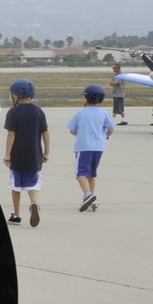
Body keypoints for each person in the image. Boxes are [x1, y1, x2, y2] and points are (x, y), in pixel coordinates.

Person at [1, 78, 48, 226]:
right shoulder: (38, 111)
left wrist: (7, 155)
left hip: (17, 155)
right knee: (32, 183)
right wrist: (46, 152)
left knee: (16, 185)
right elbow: (45, 132)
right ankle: (34, 202)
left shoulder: (13, 112)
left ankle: (16, 214)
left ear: (15, 95)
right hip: (34, 154)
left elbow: (11, 135)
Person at [68, 83, 115, 211]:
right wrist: (104, 136)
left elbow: (72, 130)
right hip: (99, 147)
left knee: (80, 173)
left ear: (86, 98)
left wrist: (80, 133)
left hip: (83, 147)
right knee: (92, 174)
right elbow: (111, 129)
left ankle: (88, 194)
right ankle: (90, 198)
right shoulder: (104, 113)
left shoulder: (81, 112)